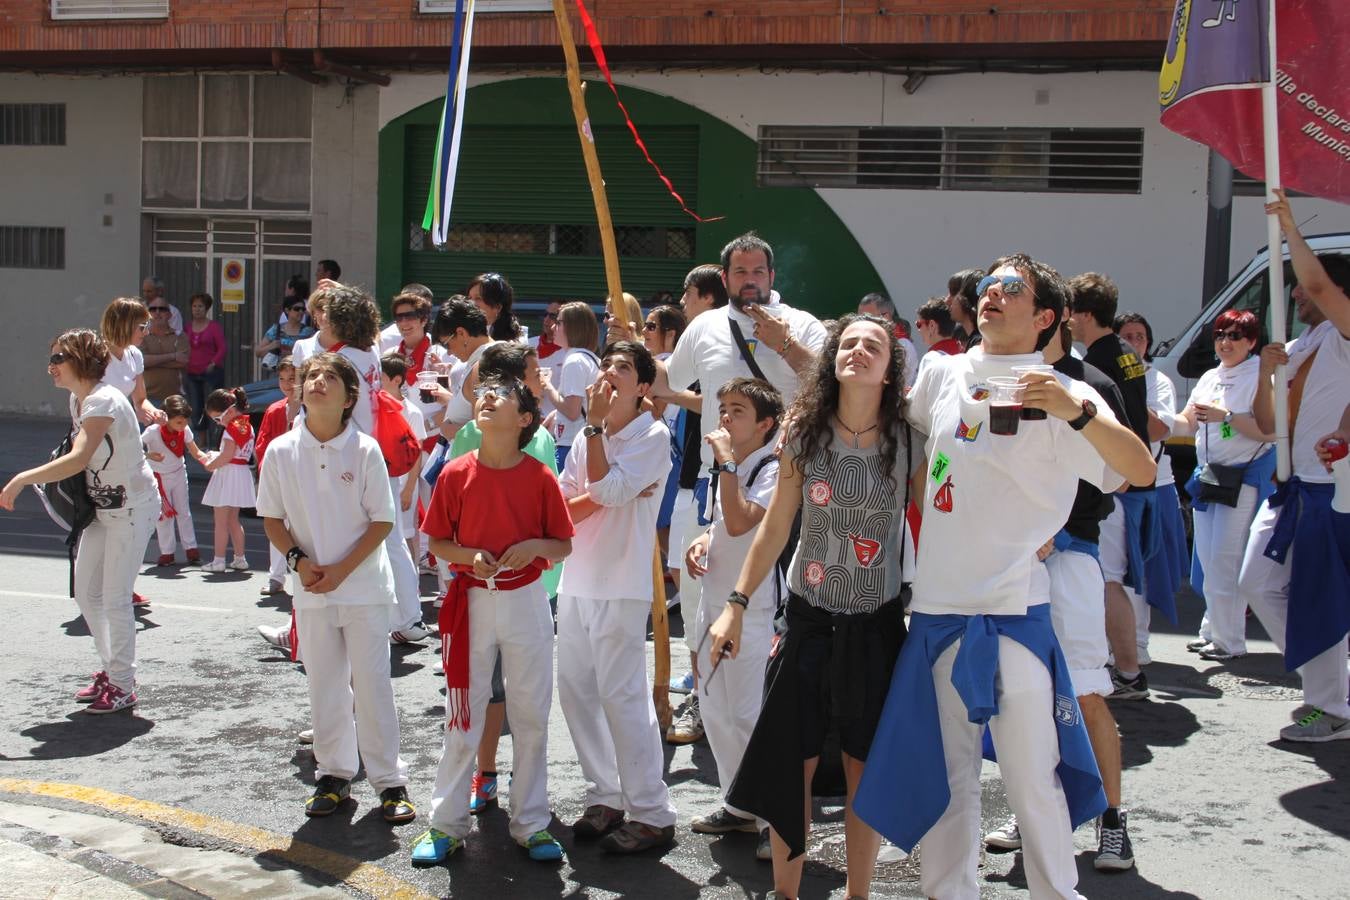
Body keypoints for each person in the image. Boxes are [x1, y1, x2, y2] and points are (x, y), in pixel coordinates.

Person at [854, 254, 1156, 900]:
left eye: (1011, 289)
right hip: (937, 610)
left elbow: (1142, 470)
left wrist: (1076, 415)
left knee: (1031, 776)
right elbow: (901, 433)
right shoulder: (942, 372)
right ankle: (948, 891)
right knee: (950, 777)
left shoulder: (1069, 391)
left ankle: (1056, 892)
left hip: (1016, 611)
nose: (992, 296)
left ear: (1045, 315)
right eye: (987, 287)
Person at [706, 315, 921, 898]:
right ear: (833, 357)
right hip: (807, 620)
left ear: (890, 365)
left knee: (863, 772)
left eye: (872, 345)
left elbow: (940, 517)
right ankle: (786, 893)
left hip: (876, 625)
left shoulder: (910, 437)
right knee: (789, 767)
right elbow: (775, 528)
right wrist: (736, 604)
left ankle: (858, 894)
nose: (857, 351)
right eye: (848, 342)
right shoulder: (804, 431)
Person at [983, 320, 1136, 871]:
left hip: (1070, 558)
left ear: (1045, 317)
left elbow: (1124, 468)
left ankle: (1113, 821)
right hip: (1010, 564)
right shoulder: (987, 377)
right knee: (1020, 698)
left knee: (1088, 691)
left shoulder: (1089, 383)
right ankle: (1033, 816)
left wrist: (1057, 528)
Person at [412, 374, 574, 865]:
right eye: (486, 393)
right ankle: (446, 823)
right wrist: (468, 555)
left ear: (525, 419)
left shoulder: (540, 477)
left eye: (502, 395)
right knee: (462, 713)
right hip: (470, 604)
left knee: (530, 715)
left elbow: (562, 543)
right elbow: (436, 542)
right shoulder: (457, 473)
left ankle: (531, 823)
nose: (487, 398)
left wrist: (531, 549)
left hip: (525, 601)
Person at [254, 351, 416, 824]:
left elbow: (382, 521)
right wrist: (298, 563)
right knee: (324, 686)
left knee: (372, 687)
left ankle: (390, 782)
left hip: (364, 589)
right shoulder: (282, 451)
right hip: (311, 590)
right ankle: (335, 775)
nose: (318, 382)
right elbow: (272, 517)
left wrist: (342, 570)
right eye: (312, 376)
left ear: (349, 399)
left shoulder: (364, 449)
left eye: (330, 378)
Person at [556, 340, 677, 854]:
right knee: (577, 692)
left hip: (623, 584)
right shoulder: (592, 435)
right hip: (577, 578)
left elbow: (604, 491)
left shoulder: (653, 434)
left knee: (623, 696)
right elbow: (566, 499)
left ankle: (651, 811)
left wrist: (601, 478)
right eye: (606, 363)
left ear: (644, 387)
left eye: (624, 368)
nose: (609, 373)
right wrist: (603, 491)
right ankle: (605, 794)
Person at [1239, 189, 1350, 741]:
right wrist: (1265, 372)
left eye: (1308, 292)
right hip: (1291, 486)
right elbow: (1266, 424)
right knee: (1256, 581)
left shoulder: (1346, 334)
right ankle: (1328, 685)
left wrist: (1286, 225)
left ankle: (1330, 705)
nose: (1299, 297)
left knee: (1318, 595)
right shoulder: (1304, 343)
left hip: (1331, 488)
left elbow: (1316, 284)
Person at [1, 329, 158, 713]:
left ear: (80, 360)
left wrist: (23, 478)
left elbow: (79, 456)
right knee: (87, 594)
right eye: (51, 358)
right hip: (102, 510)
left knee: (116, 597)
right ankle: (112, 669)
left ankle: (122, 684)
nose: (50, 366)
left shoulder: (103, 399)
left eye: (58, 358)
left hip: (132, 508)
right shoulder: (80, 399)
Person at [447, 342, 563, 814]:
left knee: (528, 694)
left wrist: (535, 553)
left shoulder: (540, 447)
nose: (540, 380)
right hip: (476, 587)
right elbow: (443, 531)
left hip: (534, 588)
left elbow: (555, 531)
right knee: (483, 690)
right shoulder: (464, 448)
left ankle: (528, 799)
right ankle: (486, 772)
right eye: (533, 373)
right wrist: (466, 559)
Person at [682, 377, 783, 856]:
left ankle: (771, 819)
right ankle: (738, 803)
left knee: (746, 713)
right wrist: (702, 542)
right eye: (723, 408)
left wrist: (724, 464)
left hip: (753, 605)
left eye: (738, 411)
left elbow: (744, 519)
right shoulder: (727, 466)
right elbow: (722, 526)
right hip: (712, 599)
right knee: (715, 709)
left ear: (765, 425)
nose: (724, 417)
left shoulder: (771, 466)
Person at [1067, 272, 1163, 700]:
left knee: (1107, 581)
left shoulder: (1100, 364)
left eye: (1071, 312)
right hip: (1127, 482)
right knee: (1111, 579)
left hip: (1116, 486)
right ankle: (1124, 667)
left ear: (1085, 315)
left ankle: (1126, 670)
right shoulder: (1122, 351)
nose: (1067, 320)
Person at [325, 284, 430, 645]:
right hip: (376, 454)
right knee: (391, 540)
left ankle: (366, 618)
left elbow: (333, 415)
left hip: (350, 459)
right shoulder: (370, 353)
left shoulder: (341, 360)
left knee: (355, 539)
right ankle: (407, 617)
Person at [1172, 310, 1276, 661]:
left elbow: (1269, 431)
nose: (1225, 342)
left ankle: (1230, 641)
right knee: (1208, 560)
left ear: (1251, 342)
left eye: (1235, 336)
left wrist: (1227, 417)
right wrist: (1153, 418)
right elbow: (1186, 423)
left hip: (1242, 479)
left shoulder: (1259, 375)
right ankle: (1211, 631)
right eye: (1220, 335)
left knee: (1226, 560)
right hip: (1209, 476)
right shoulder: (1209, 377)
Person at [1114, 312, 1189, 666]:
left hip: (1149, 486)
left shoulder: (1157, 381)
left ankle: (1139, 644)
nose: (1133, 341)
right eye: (1126, 335)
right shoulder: (1105, 377)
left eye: (1140, 336)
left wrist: (1127, 392)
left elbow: (1159, 429)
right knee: (1111, 571)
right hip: (1111, 487)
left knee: (1140, 571)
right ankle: (1113, 645)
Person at [378, 352, 427, 603]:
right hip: (385, 481)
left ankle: (413, 588)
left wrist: (409, 489)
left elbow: (417, 452)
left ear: (396, 380)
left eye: (382, 377)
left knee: (407, 535)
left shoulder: (411, 411)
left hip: (405, 481)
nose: (377, 382)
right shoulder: (376, 407)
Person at [143, 394, 206, 567]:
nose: (183, 426)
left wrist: (208, 461)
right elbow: (135, 447)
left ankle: (191, 550)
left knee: (184, 512)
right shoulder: (153, 431)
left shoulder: (184, 431)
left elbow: (195, 451)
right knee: (164, 516)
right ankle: (167, 552)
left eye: (185, 421)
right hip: (159, 478)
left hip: (179, 473)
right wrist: (149, 455)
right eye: (178, 422)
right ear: (167, 418)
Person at [256, 357, 301, 596]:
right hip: (278, 476)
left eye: (292, 378)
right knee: (276, 525)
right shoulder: (274, 410)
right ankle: (276, 576)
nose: (286, 384)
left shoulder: (309, 408)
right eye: (282, 379)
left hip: (301, 477)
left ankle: (299, 575)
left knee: (301, 530)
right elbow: (262, 444)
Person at [198, 387, 255, 574]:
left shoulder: (231, 429)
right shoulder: (246, 425)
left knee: (221, 521)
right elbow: (236, 454)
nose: (217, 423)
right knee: (233, 520)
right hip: (241, 474)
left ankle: (219, 561)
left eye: (217, 418)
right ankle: (240, 559)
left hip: (228, 474)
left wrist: (210, 464)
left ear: (229, 411)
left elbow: (227, 455)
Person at [538, 301, 600, 470]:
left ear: (573, 327)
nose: (552, 327)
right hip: (580, 442)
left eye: (558, 322)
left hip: (571, 444)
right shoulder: (589, 358)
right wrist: (555, 413)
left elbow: (572, 411)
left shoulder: (574, 360)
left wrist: (547, 385)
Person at [100, 297, 164, 426]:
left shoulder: (135, 355)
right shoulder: (94, 356)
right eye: (142, 327)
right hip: (96, 432)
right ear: (124, 325)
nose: (147, 332)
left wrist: (154, 412)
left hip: (122, 430)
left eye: (148, 326)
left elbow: (140, 400)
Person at [184, 293, 227, 436]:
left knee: (214, 406)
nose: (197, 309)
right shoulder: (188, 327)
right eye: (194, 306)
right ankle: (201, 440)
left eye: (200, 306)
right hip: (192, 373)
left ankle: (216, 440)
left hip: (211, 373)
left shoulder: (214, 326)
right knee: (196, 408)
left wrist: (213, 363)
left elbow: (222, 348)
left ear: (206, 308)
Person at [858, 292, 918, 388]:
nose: (862, 323)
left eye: (867, 318)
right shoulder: (861, 344)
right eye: (859, 319)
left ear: (886, 317)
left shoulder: (902, 346)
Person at [141, 296, 189, 404]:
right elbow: (142, 361)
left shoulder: (180, 336)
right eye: (153, 309)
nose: (157, 312)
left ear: (169, 315)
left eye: (162, 309)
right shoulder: (141, 335)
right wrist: (173, 356)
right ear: (147, 314)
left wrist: (152, 362)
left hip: (175, 399)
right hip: (147, 399)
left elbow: (183, 362)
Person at [256, 291, 315, 372]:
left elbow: (314, 355)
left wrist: (291, 352)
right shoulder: (276, 329)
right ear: (287, 310)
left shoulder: (309, 332)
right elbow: (258, 352)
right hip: (277, 375)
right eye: (297, 309)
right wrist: (272, 346)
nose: (301, 312)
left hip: (299, 374)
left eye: (303, 309)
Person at [468, 272, 522, 343]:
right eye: (469, 298)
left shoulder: (514, 343)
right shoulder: (460, 334)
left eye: (478, 298)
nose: (470, 303)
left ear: (498, 307)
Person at [946, 267, 985, 348]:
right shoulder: (978, 339)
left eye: (953, 293)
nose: (947, 300)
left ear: (967, 297)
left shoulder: (980, 344)